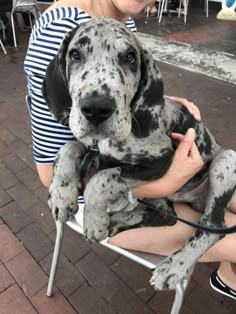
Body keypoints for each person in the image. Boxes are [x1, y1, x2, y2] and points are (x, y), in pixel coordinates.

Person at [24, 0, 236, 300]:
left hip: (187, 170)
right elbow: (51, 172)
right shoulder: (60, 29)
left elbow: (126, 98)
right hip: (128, 194)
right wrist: (167, 183)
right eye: (77, 57)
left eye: (126, 59)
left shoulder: (123, 17)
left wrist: (157, 103)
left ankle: (228, 276)